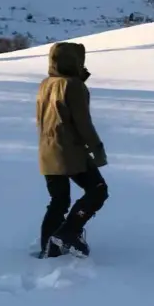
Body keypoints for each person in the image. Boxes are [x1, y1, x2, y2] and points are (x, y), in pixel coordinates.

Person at [36, 41, 109, 259]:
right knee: (98, 190)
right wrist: (97, 150)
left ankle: (49, 247)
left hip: (47, 150)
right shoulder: (75, 86)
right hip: (70, 152)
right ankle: (69, 232)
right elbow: (83, 123)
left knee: (59, 201)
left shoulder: (46, 83)